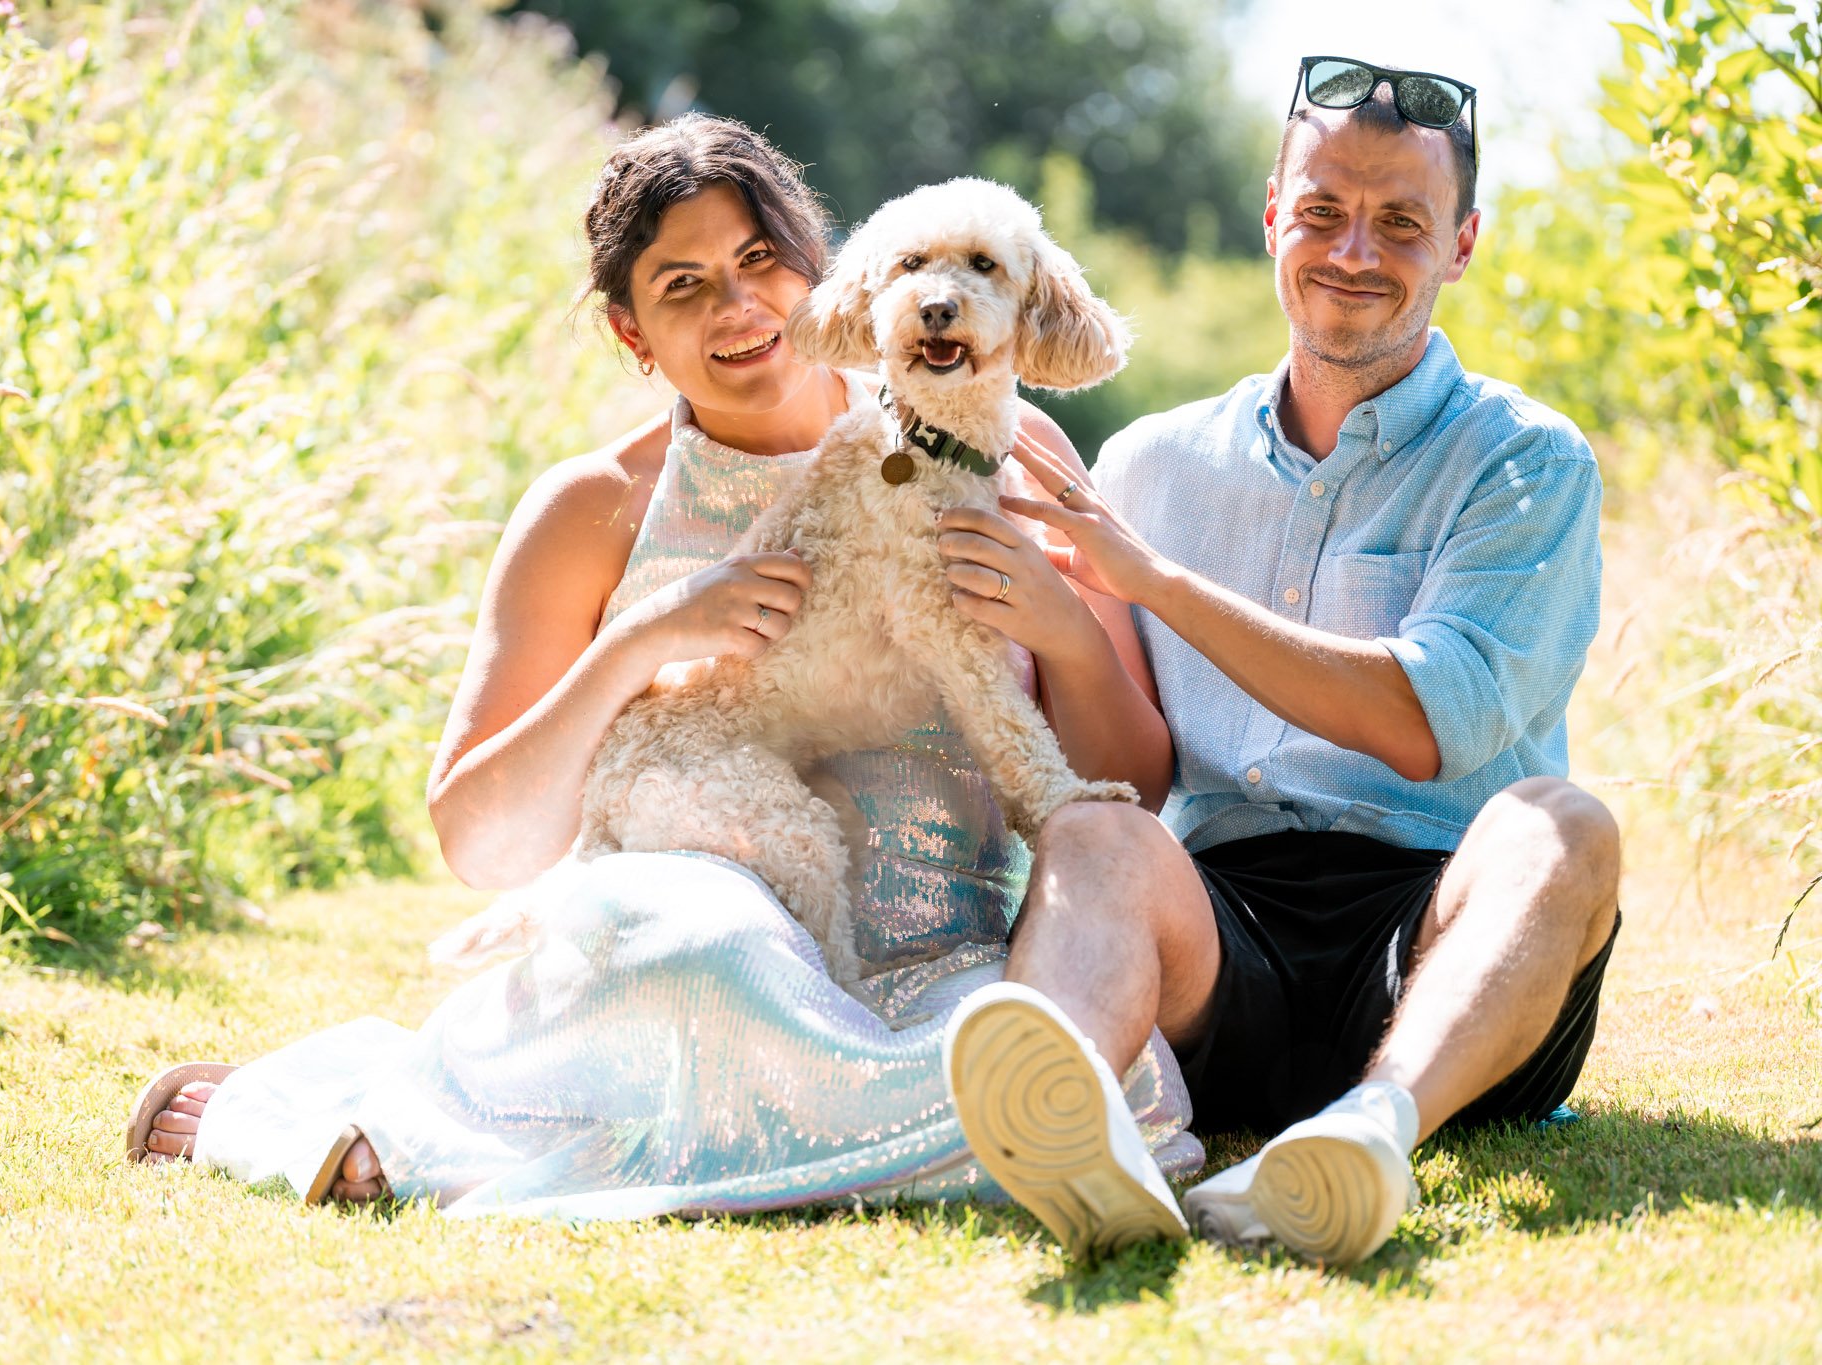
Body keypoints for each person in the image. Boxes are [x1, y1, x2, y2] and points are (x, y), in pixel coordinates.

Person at [129, 114, 1204, 1240]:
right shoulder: (593, 508)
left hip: (944, 945)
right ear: (631, 333)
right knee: (710, 952)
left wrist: (1068, 632)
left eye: (757, 262)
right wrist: (639, 646)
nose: (737, 308)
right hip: (698, 940)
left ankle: (883, 1118)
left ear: (824, 266)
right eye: (681, 284)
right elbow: (481, 844)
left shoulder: (1003, 444)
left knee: (1084, 1055)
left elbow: (1128, 779)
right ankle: (960, 1140)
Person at [980, 58, 1621, 1267]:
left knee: (1564, 825)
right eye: (1321, 212)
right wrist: (1069, 626)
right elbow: (1130, 766)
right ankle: (1074, 1137)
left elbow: (1429, 718)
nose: (1352, 251)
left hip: (1446, 940)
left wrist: (1156, 585)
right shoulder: (1147, 467)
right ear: (1271, 214)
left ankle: (1372, 1136)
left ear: (1462, 244)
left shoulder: (1526, 461)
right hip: (1221, 937)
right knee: (1091, 830)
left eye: (1400, 223)